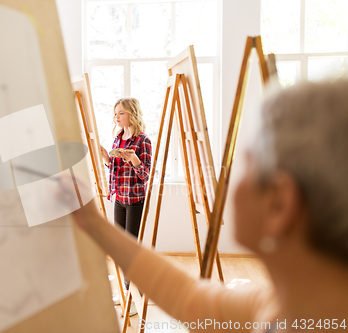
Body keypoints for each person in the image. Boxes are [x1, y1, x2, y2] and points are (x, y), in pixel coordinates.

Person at [59, 80, 348, 332]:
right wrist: (92, 221)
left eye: (245, 164)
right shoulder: (274, 309)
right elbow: (186, 296)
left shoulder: (277, 313)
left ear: (280, 203)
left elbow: (188, 298)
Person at [99, 98, 152, 294]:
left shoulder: (143, 140)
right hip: (119, 199)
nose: (117, 117)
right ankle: (127, 290)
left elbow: (146, 175)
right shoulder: (117, 138)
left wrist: (135, 160)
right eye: (115, 113)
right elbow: (115, 169)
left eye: (121, 113)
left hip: (135, 201)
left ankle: (133, 293)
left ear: (132, 114)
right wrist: (106, 159)